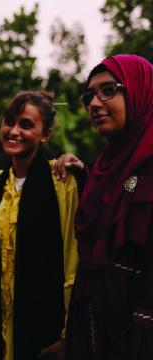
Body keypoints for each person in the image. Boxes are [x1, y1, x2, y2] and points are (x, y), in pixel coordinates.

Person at [0, 91, 81, 360]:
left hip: (44, 324)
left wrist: (67, 333)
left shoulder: (62, 182)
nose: (14, 131)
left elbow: (72, 261)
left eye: (26, 124)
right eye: (9, 122)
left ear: (45, 134)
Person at [65, 54, 153, 360]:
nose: (94, 103)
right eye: (89, 95)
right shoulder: (105, 167)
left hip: (134, 332)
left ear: (141, 92)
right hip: (90, 320)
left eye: (109, 90)